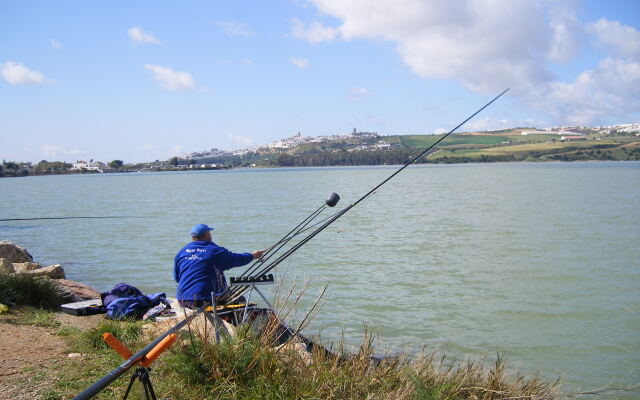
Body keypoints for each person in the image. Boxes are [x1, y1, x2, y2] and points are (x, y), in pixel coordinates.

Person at [174, 223, 263, 308]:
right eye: (209, 233)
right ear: (206, 235)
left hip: (183, 299)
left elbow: (177, 278)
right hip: (204, 299)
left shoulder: (181, 252)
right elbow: (237, 259)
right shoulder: (214, 251)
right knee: (240, 300)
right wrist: (253, 256)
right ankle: (234, 323)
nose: (211, 236)